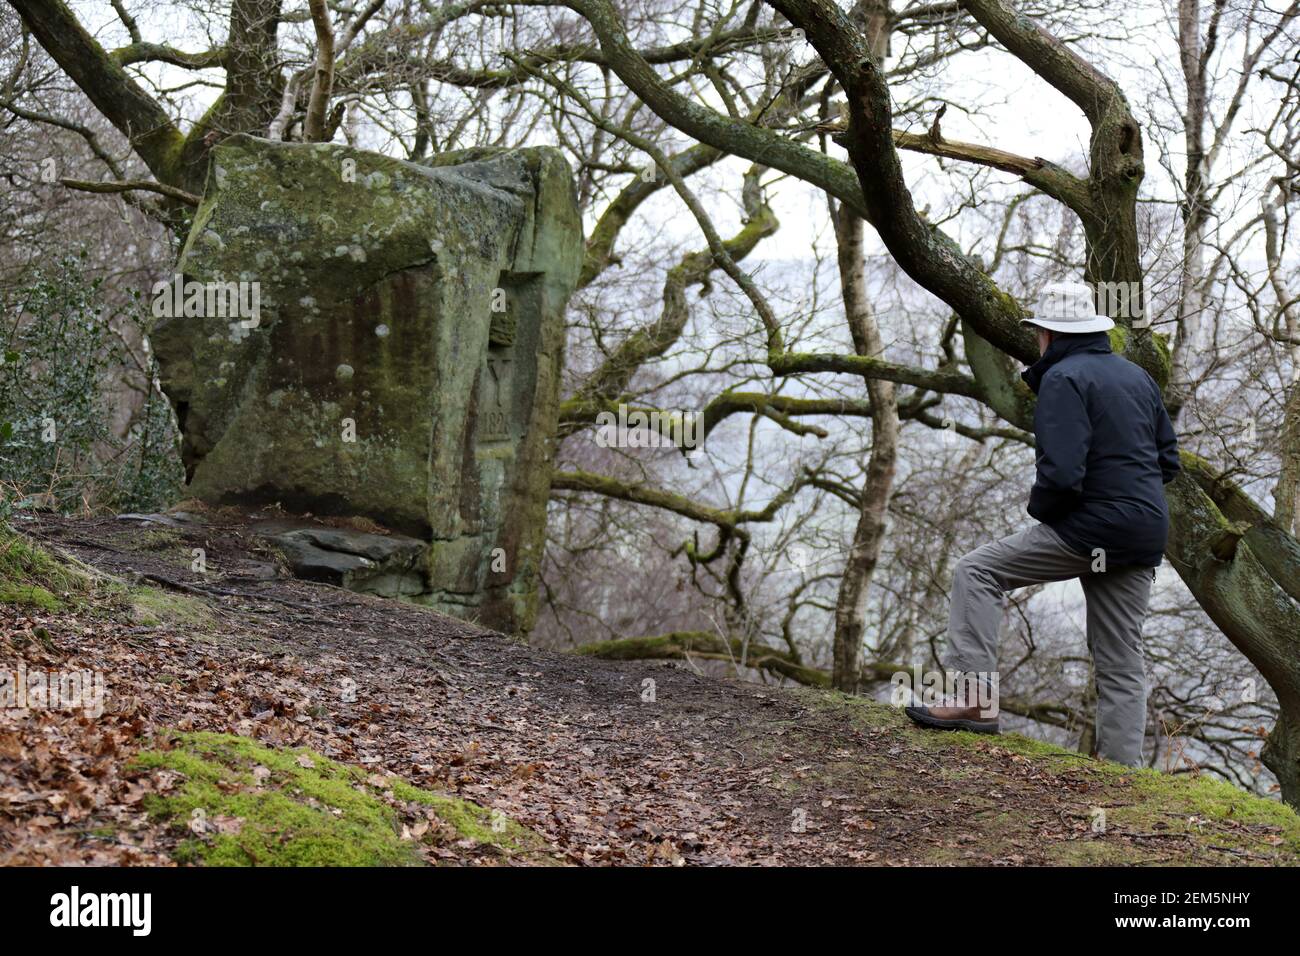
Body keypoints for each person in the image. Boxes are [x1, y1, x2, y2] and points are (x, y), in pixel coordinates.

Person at [904, 281, 1181, 767]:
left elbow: (1062, 473)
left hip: (1091, 528)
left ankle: (973, 697)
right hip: (1143, 531)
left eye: (1036, 333)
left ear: (1047, 334)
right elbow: (1167, 461)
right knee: (1120, 657)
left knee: (978, 570)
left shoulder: (1064, 379)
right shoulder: (1137, 378)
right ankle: (1122, 773)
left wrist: (1045, 513)